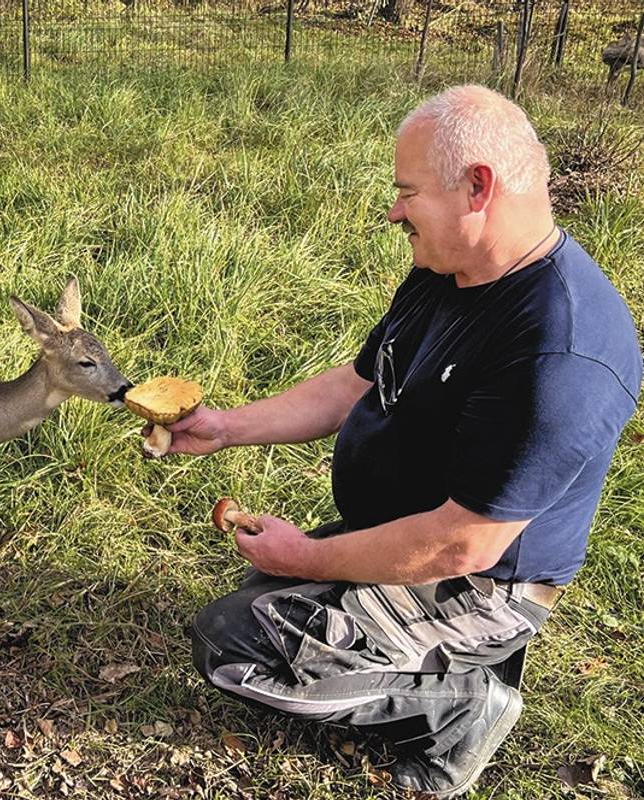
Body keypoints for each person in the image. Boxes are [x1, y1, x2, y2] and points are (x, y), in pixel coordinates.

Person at [169, 85, 641, 798]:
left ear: (477, 187)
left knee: (235, 641)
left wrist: (305, 554)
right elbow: (358, 382)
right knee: (263, 599)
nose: (393, 211)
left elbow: (463, 545)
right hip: (407, 529)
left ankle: (464, 704)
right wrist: (226, 427)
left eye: (406, 192)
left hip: (480, 584)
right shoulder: (448, 270)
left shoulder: (558, 352)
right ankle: (420, 662)